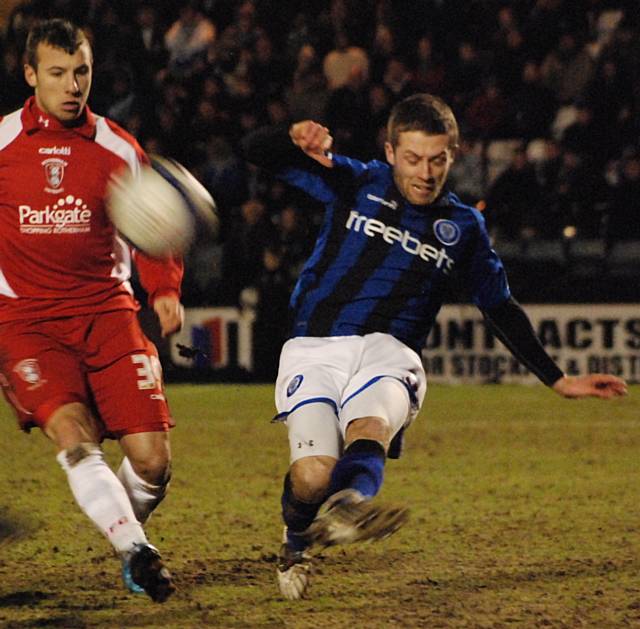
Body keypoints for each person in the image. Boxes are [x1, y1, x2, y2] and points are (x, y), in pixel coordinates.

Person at [242, 93, 628, 600]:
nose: (425, 173)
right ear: (389, 152)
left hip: (392, 352)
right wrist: (291, 135)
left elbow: (500, 307)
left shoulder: (464, 227)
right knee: (311, 477)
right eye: (413, 158)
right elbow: (255, 151)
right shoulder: (355, 180)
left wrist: (557, 378)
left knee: (372, 424)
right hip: (316, 345)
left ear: (454, 155)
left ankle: (351, 506)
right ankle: (297, 538)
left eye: (438, 159)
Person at [0, 19, 183, 603]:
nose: (73, 85)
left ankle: (122, 527)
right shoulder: (2, 142)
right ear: (31, 76)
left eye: (81, 72)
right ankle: (136, 552)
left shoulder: (116, 146)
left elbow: (153, 222)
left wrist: (164, 288)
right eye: (57, 73)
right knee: (74, 435)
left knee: (153, 462)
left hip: (107, 313)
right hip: (25, 321)